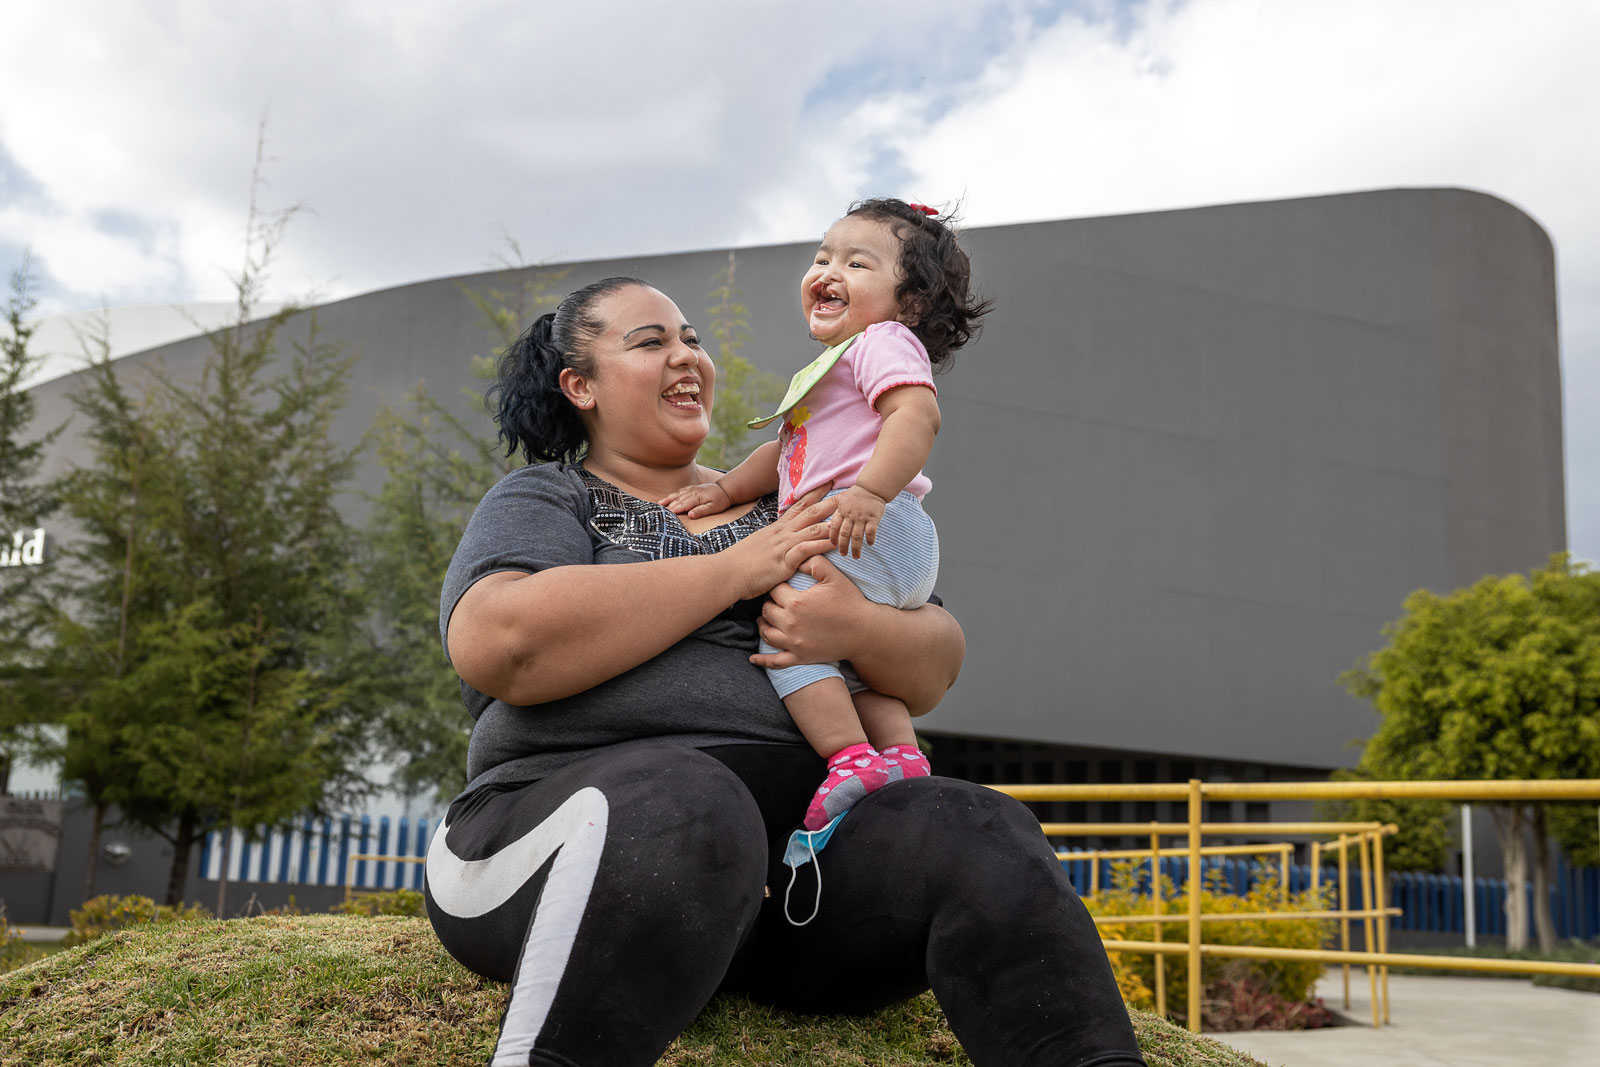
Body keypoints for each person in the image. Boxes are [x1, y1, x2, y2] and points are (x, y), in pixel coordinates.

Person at [424, 276, 1147, 1067]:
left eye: (691, 338)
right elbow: (504, 640)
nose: (686, 356)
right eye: (650, 341)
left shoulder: (802, 496)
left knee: (977, 824)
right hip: (561, 827)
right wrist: (735, 570)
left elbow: (934, 664)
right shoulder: (552, 495)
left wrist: (853, 625)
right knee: (692, 801)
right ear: (580, 385)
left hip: (796, 874)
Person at [662, 198, 989, 834]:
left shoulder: (883, 341)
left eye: (857, 262)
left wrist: (868, 492)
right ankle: (900, 755)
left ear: (912, 303)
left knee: (790, 634)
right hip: (889, 536)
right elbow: (785, 451)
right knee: (853, 659)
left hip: (866, 520)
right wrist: (730, 488)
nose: (827, 270)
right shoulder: (838, 366)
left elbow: (916, 415)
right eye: (821, 256)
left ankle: (848, 759)